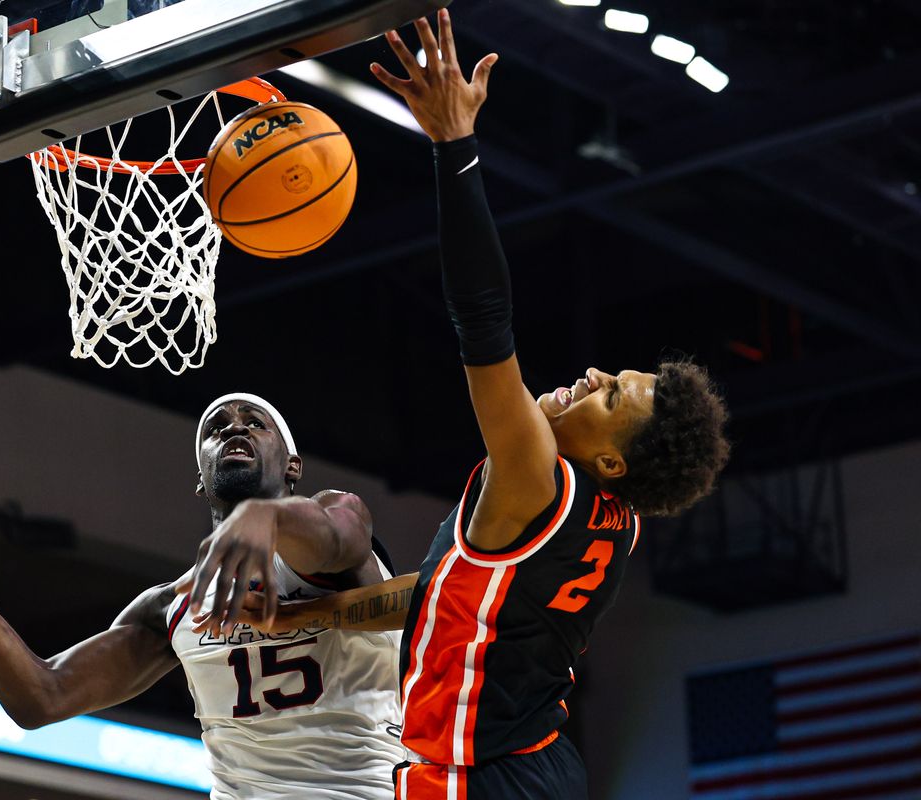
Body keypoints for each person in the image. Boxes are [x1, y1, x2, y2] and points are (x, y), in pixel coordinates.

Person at [189, 12, 730, 799]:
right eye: (612, 372)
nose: (590, 375)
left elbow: (483, 319)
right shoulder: (618, 516)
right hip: (541, 766)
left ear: (611, 456)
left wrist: (452, 143)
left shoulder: (537, 475)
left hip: (474, 778)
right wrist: (330, 616)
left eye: (611, 394)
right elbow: (447, 596)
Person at [0, 392, 402, 800]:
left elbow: (338, 538)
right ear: (201, 482)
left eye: (254, 424)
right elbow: (40, 697)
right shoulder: (173, 606)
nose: (234, 429)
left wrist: (266, 516)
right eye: (217, 428)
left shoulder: (335, 515)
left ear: (293, 467)